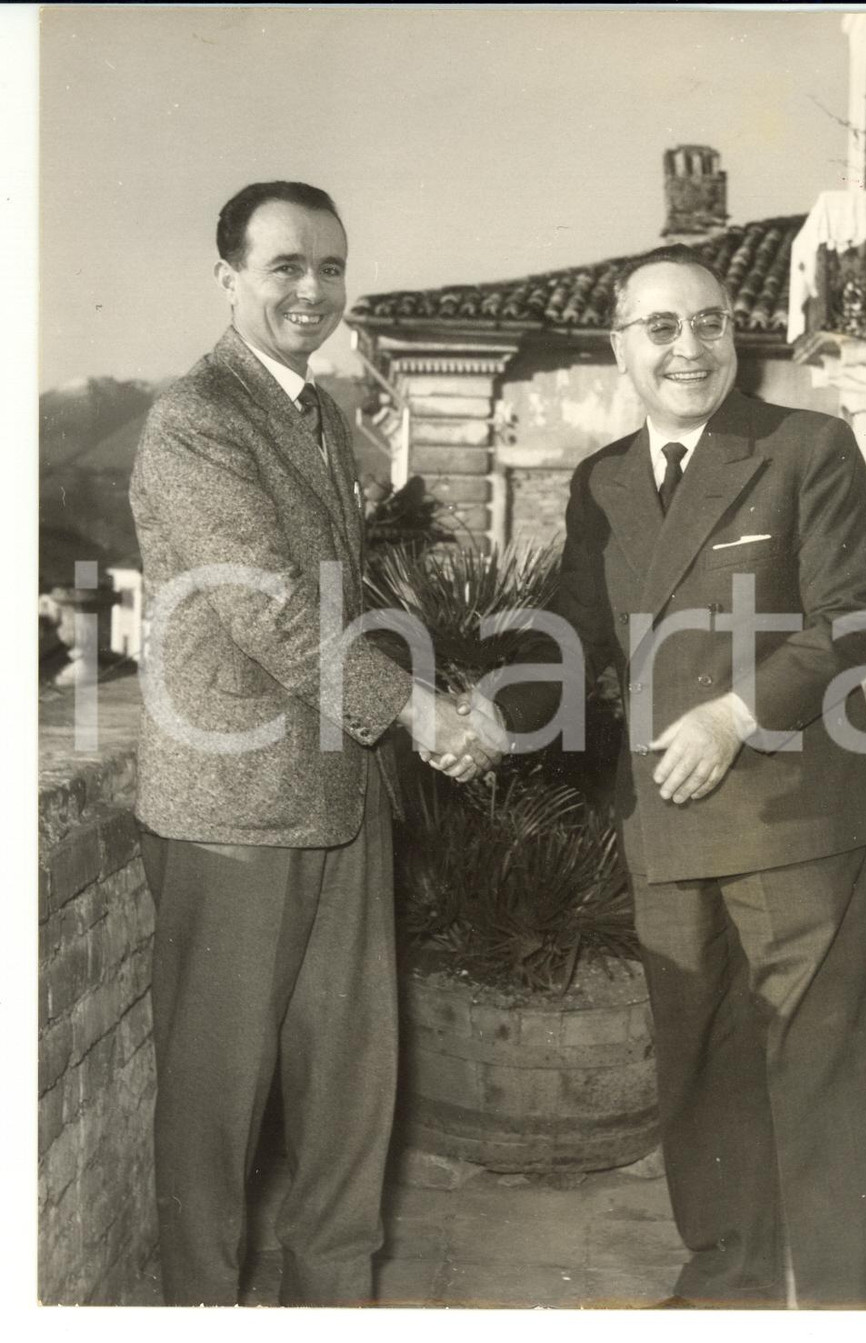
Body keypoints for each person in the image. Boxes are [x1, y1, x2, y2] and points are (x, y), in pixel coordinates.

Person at [488, 245, 866, 1309]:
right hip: (664, 818)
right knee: (700, 1068)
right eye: (660, 328)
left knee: (818, 1077)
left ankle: (842, 1308)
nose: (688, 347)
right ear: (619, 346)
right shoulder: (603, 480)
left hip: (794, 810)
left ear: (734, 335)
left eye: (708, 322)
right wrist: (490, 716)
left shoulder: (807, 446)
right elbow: (572, 638)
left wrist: (735, 709)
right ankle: (729, 1283)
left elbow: (850, 616)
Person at [129, 180, 501, 1307]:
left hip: (343, 799)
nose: (313, 288)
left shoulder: (320, 414)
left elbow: (339, 605)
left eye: (331, 267)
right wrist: (416, 712)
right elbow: (271, 608)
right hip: (234, 813)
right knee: (217, 1104)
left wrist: (436, 691)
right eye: (286, 265)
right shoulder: (195, 415)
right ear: (228, 277)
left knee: (349, 1097)